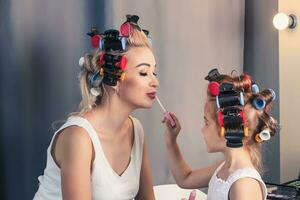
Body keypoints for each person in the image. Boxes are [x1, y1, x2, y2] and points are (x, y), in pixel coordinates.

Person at [33, 14, 158, 200]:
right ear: (114, 79)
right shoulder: (79, 137)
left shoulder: (136, 130)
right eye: (143, 72)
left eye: (154, 72)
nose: (155, 81)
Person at [162, 68, 278, 200]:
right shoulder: (225, 168)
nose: (202, 130)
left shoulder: (244, 185)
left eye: (206, 122)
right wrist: (171, 140)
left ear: (228, 126)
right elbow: (185, 178)